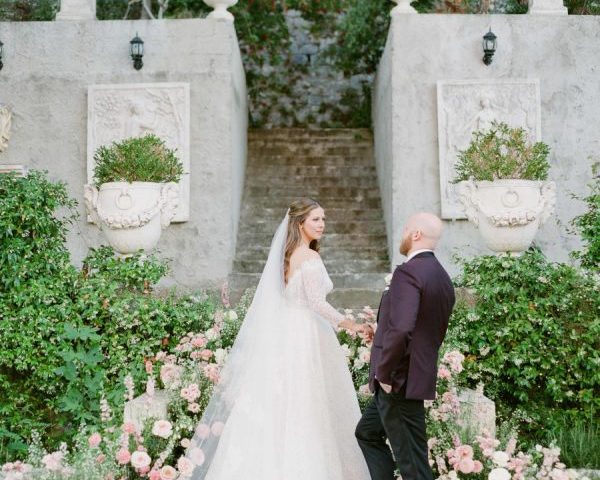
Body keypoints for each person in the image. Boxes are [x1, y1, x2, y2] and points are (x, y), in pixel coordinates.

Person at [186, 198, 371, 480]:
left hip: (287, 332)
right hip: (304, 334)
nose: (322, 225)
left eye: (323, 219)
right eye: (315, 220)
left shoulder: (288, 257)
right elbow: (317, 303)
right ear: (300, 224)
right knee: (307, 401)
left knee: (280, 401)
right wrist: (351, 325)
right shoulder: (309, 257)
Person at [355, 212, 456, 480]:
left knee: (414, 467)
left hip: (397, 380)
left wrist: (385, 374)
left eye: (406, 228)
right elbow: (425, 329)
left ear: (416, 235)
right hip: (411, 376)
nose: (403, 233)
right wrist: (381, 335)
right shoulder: (442, 277)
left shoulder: (409, 272)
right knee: (366, 432)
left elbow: (402, 329)